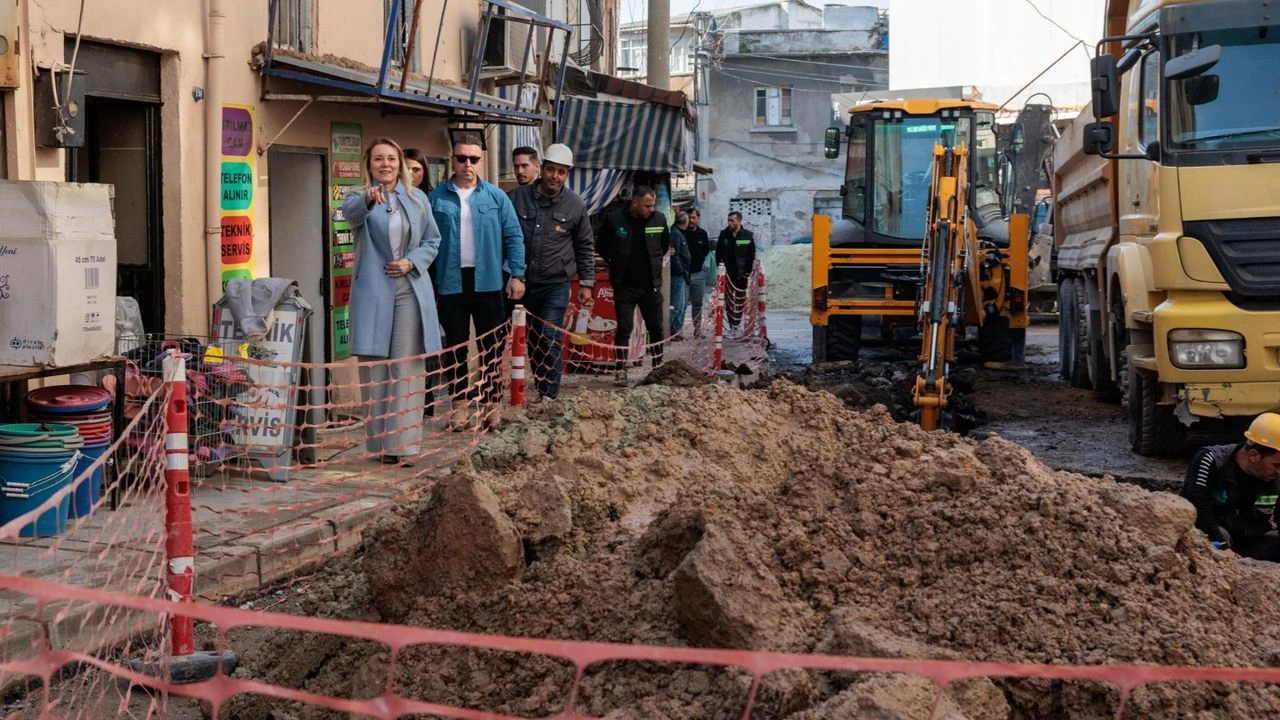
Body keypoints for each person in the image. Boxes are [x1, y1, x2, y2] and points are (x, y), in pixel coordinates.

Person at [340, 137, 442, 466]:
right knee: (376, 369)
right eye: (378, 159)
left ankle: (405, 446)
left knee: (406, 365)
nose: (385, 164)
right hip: (373, 290)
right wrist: (369, 201)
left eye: (391, 159)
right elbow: (350, 216)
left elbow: (432, 240)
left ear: (401, 164)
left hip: (408, 287)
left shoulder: (418, 199)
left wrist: (412, 261)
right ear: (368, 164)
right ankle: (381, 445)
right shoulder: (359, 196)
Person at [429, 133, 526, 431]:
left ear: (481, 161)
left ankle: (490, 405)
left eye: (473, 159)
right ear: (452, 160)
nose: (467, 164)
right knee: (455, 347)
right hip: (450, 281)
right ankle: (459, 407)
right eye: (461, 158)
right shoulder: (436, 198)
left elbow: (514, 236)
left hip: (488, 281)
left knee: (492, 347)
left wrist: (517, 274)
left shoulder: (496, 197)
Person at [509, 143, 593, 402]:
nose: (555, 176)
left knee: (549, 337)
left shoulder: (574, 205)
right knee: (532, 340)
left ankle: (549, 396)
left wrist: (587, 283)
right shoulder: (515, 199)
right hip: (522, 282)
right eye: (551, 170)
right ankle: (541, 384)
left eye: (561, 172)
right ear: (542, 169)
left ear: (566, 174)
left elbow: (584, 244)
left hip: (555, 284)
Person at [1181, 413, 1280, 560]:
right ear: (1254, 456)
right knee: (1212, 543)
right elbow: (1198, 504)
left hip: (1250, 535)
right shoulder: (1210, 460)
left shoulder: (1275, 476)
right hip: (1213, 531)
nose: (1279, 471)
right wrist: (1221, 545)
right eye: (1276, 465)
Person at [597, 186, 669, 385]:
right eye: (647, 205)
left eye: (653, 205)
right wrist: (616, 260)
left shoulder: (659, 220)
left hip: (650, 285)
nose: (651, 209)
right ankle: (620, 370)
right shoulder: (615, 219)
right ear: (634, 202)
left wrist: (653, 265)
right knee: (625, 328)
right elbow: (602, 246)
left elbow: (663, 247)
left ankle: (658, 368)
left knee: (656, 328)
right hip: (624, 285)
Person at [405, 147, 444, 416]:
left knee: (429, 337)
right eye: (406, 169)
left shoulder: (433, 200)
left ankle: (428, 395)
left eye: (416, 170)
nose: (411, 174)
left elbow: (436, 240)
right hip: (402, 278)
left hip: (432, 276)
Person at [715, 211, 756, 333]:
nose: (730, 223)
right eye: (729, 220)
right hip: (727, 273)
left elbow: (751, 255)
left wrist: (747, 272)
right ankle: (733, 326)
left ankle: (737, 324)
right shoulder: (724, 235)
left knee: (739, 300)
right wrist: (721, 269)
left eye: (732, 220)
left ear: (739, 221)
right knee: (728, 300)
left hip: (741, 273)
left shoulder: (747, 235)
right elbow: (718, 253)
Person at [685, 208, 712, 337]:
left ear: (698, 218)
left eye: (694, 217)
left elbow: (706, 250)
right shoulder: (680, 232)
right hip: (683, 274)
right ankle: (677, 332)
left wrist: (699, 258)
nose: (691, 220)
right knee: (681, 305)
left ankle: (697, 330)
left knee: (698, 304)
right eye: (689, 217)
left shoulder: (703, 234)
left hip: (698, 273)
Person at [669, 212, 692, 338]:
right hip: (677, 275)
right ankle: (673, 331)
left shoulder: (679, 233)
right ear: (685, 222)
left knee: (681, 306)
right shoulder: (675, 234)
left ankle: (676, 331)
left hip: (681, 275)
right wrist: (681, 270)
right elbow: (674, 255)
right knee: (677, 306)